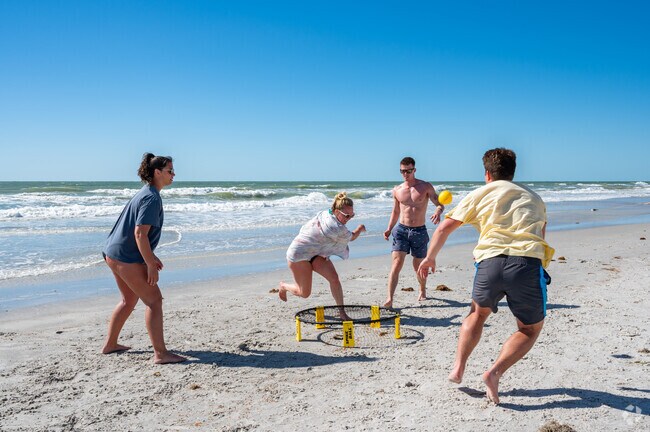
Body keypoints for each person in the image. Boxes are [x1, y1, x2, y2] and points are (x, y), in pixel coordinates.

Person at [417, 148, 554, 404]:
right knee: (529, 329)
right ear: (512, 173)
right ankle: (494, 372)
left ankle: (458, 368)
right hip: (526, 263)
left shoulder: (479, 193)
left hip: (489, 262)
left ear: (487, 174)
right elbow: (540, 233)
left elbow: (445, 227)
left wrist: (430, 257)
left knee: (477, 315)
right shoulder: (534, 198)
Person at [101, 153, 186, 364]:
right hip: (125, 257)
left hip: (114, 252)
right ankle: (160, 354)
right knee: (154, 301)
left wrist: (151, 255)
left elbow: (137, 233)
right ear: (157, 172)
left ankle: (110, 344)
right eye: (170, 171)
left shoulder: (147, 192)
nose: (173, 174)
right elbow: (140, 233)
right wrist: (149, 264)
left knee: (128, 300)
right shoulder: (151, 197)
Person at [279, 192, 366, 319]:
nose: (349, 219)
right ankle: (283, 286)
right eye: (346, 216)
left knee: (334, 279)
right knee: (304, 293)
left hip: (317, 253)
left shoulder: (327, 212)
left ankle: (342, 313)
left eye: (352, 215)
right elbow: (351, 237)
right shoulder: (335, 227)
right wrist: (360, 229)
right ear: (336, 211)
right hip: (299, 254)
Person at [383, 157, 444, 308]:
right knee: (396, 264)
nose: (405, 174)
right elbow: (395, 211)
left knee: (419, 267)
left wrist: (438, 211)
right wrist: (389, 228)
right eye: (402, 171)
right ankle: (389, 299)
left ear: (414, 170)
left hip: (419, 231)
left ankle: (422, 290)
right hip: (401, 230)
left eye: (408, 171)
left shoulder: (425, 187)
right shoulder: (397, 190)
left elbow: (439, 204)